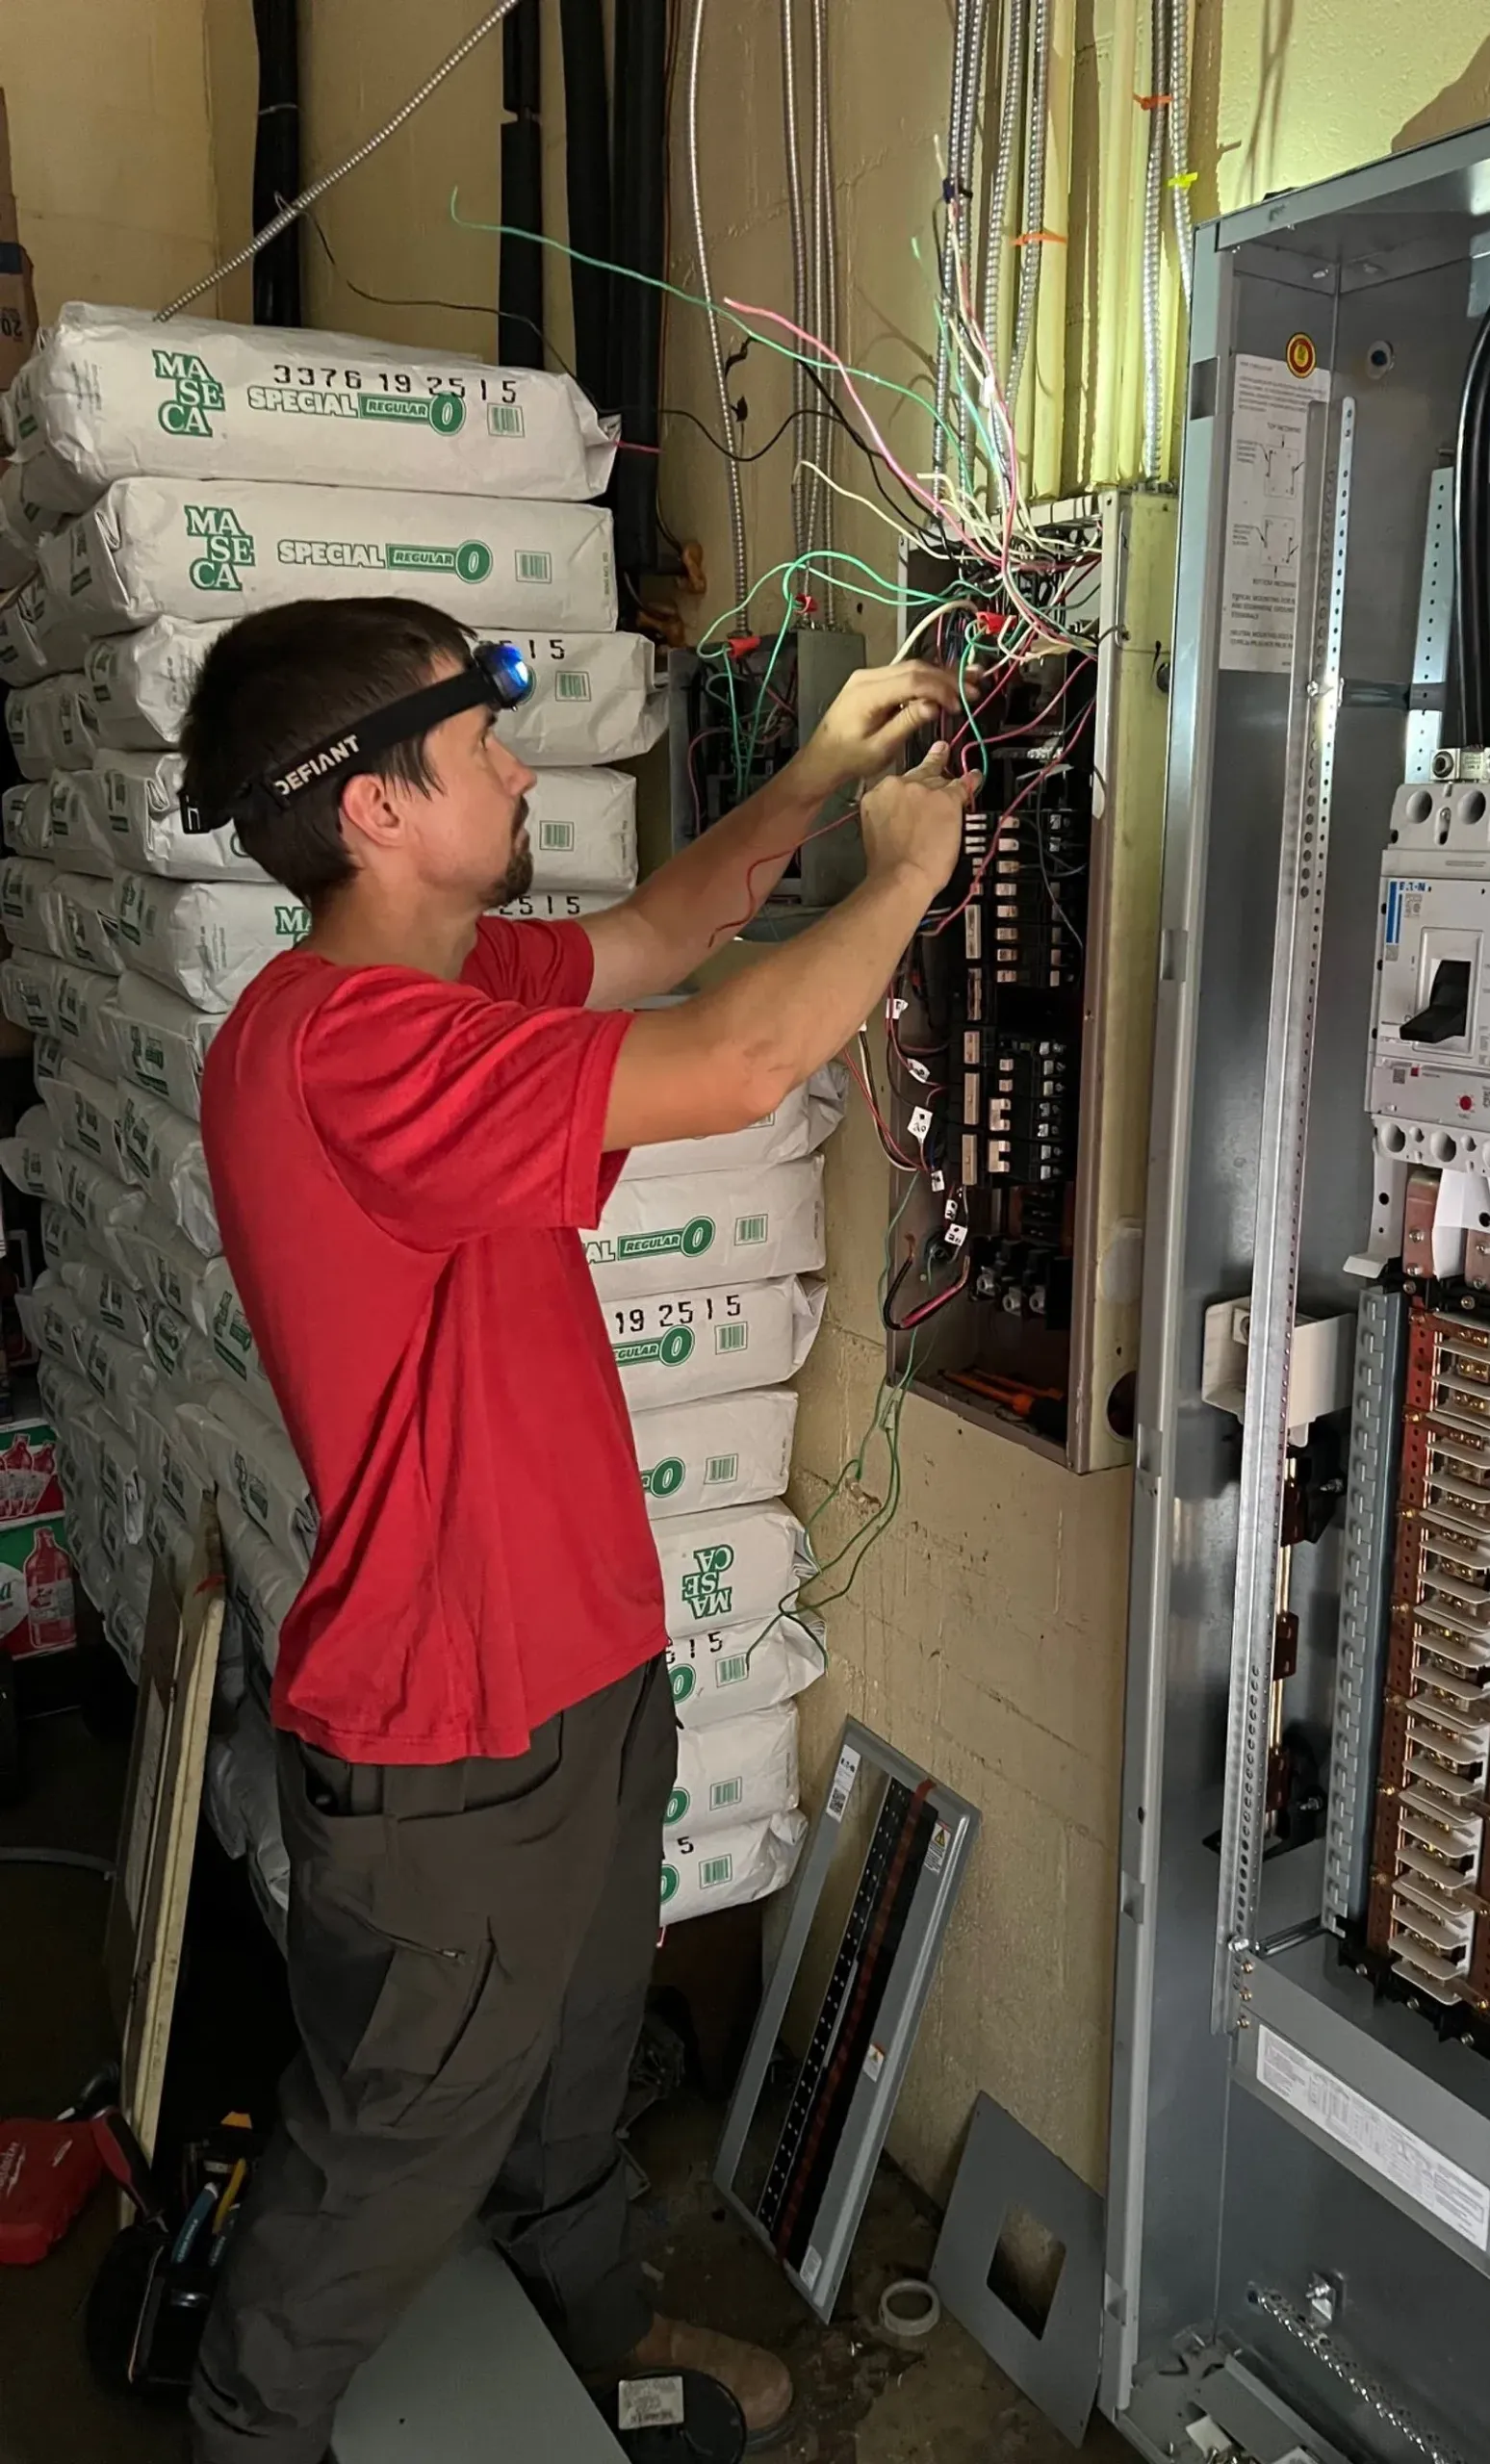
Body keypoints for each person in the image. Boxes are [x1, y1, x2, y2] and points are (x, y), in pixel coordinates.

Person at [178, 596, 973, 2463]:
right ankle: (245, 2430)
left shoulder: (445, 984)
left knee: (570, 2071)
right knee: (398, 2140)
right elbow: (732, 1056)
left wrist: (821, 771)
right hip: (450, 1729)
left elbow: (666, 933)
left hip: (579, 1668)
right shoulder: (341, 1044)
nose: (521, 771)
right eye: (479, 751)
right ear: (373, 808)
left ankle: (597, 2324)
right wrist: (907, 877)